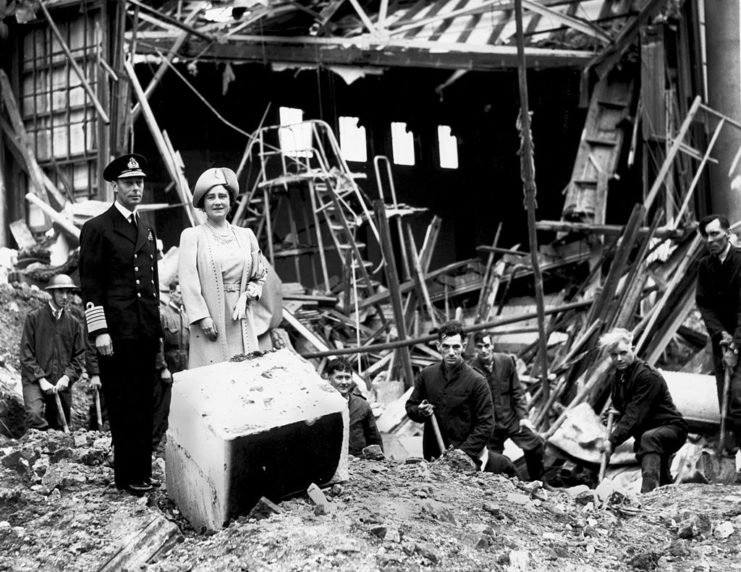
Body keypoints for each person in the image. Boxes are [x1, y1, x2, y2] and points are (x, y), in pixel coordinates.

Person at [79, 153, 162, 495]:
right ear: (115, 186)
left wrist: (156, 333)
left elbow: (150, 287)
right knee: (123, 403)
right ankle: (126, 476)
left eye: (139, 182)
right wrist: (99, 331)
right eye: (129, 183)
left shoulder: (145, 229)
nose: (136, 188)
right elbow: (91, 286)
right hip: (115, 334)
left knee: (144, 403)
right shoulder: (97, 228)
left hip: (143, 331)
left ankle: (142, 471)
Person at [178, 167, 269, 369]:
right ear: (203, 204)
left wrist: (249, 294)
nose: (217, 202)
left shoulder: (246, 235)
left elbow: (259, 276)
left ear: (230, 201)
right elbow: (188, 281)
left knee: (246, 372)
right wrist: (202, 317)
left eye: (222, 196)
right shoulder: (193, 236)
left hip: (242, 316)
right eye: (211, 197)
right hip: (212, 319)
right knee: (216, 375)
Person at [598, 328, 688, 493]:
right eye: (613, 355)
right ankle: (666, 495)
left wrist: (612, 441)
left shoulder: (647, 376)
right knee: (652, 456)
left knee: (648, 440)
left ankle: (647, 496)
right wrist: (612, 413)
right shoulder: (620, 376)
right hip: (649, 433)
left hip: (672, 428)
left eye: (623, 353)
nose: (619, 358)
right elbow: (620, 404)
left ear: (632, 350)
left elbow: (635, 414)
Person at [406, 321, 495, 469]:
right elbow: (411, 406)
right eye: (446, 346)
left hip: (465, 461)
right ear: (438, 346)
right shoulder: (427, 375)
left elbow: (486, 425)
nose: (451, 352)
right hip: (432, 457)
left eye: (456, 347)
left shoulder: (477, 381)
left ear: (464, 347)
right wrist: (420, 411)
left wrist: (460, 455)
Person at [469, 332, 545, 480]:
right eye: (480, 347)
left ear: (492, 345)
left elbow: (517, 391)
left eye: (486, 345)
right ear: (475, 349)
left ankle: (539, 482)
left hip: (511, 420)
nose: (484, 350)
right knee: (493, 462)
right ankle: (505, 491)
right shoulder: (471, 370)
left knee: (536, 444)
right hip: (491, 426)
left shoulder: (506, 362)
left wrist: (523, 417)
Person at [696, 214, 741, 453]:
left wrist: (735, 345)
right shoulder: (705, 266)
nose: (711, 239)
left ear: (727, 233)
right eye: (706, 235)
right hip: (721, 341)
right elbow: (704, 304)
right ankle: (734, 458)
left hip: (739, 339)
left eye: (715, 233)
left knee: (738, 397)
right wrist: (721, 334)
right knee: (726, 402)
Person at [20, 274, 85, 431]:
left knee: (60, 427)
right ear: (51, 293)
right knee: (35, 416)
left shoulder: (74, 324)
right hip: (35, 380)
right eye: (60, 292)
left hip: (60, 384)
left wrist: (66, 377)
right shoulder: (34, 318)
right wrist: (41, 379)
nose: (65, 297)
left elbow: (79, 357)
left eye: (67, 292)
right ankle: (35, 448)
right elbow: (26, 354)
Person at [152, 281, 189, 449]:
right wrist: (163, 368)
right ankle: (153, 446)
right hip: (167, 369)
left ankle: (172, 447)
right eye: (179, 293)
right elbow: (157, 343)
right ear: (172, 293)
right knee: (162, 409)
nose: (182, 297)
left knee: (179, 409)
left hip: (183, 368)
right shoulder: (163, 314)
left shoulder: (186, 316)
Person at [325, 358, 383, 457]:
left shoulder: (361, 405)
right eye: (339, 377)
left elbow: (374, 439)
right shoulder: (321, 406)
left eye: (347, 378)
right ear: (329, 379)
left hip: (359, 461)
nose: (344, 382)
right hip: (330, 463)